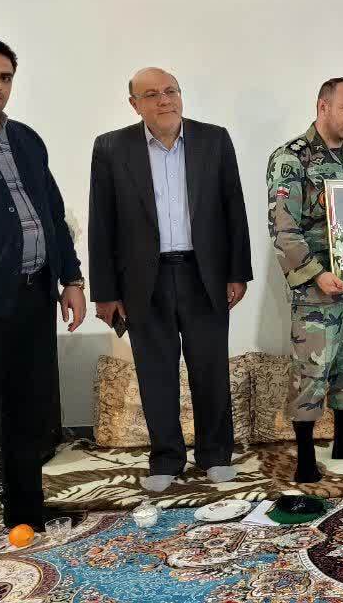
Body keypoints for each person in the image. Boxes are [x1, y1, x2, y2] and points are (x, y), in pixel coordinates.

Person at [0, 34, 86, 572]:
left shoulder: (26, 139)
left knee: (30, 417)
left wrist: (71, 278)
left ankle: (25, 512)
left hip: (32, 300)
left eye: (5, 76)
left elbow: (51, 212)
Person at [88, 67, 253, 492]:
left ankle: (215, 454)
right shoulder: (110, 147)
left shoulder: (214, 140)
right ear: (134, 104)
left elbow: (234, 208)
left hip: (204, 274)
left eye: (171, 91)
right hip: (143, 281)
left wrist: (238, 272)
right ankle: (165, 458)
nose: (164, 100)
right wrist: (105, 293)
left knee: (210, 369)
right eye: (151, 94)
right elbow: (101, 223)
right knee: (155, 372)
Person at [268, 77, 343, 483]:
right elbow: (284, 229)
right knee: (311, 370)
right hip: (316, 287)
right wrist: (317, 275)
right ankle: (304, 456)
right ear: (323, 106)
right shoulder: (291, 158)